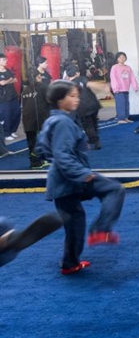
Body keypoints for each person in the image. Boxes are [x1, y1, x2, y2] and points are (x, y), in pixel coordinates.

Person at [36, 80, 126, 275]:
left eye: (77, 95)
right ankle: (100, 231)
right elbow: (62, 155)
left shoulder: (52, 120)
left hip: (62, 182)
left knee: (74, 224)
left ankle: (70, 264)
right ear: (60, 100)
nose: (77, 99)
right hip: (71, 179)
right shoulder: (63, 122)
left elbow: (41, 149)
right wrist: (82, 174)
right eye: (72, 96)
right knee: (114, 189)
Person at [65, 64, 102, 150]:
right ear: (77, 73)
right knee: (93, 121)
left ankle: (95, 141)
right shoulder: (83, 78)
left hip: (82, 107)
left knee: (88, 125)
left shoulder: (68, 85)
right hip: (93, 103)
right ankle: (93, 138)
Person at [21, 68, 51, 169]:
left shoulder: (25, 90)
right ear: (36, 77)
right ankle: (42, 159)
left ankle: (35, 163)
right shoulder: (42, 87)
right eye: (39, 76)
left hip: (27, 120)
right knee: (42, 139)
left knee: (31, 141)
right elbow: (50, 100)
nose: (41, 77)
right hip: (39, 119)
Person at [109, 51, 139, 123]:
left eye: (123, 57)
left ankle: (126, 117)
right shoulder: (114, 67)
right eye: (120, 57)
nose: (122, 58)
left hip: (126, 88)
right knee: (120, 104)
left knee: (126, 104)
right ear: (117, 59)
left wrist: (135, 87)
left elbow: (132, 78)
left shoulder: (128, 68)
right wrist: (115, 88)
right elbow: (113, 78)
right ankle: (120, 119)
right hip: (118, 89)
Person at [0, 53, 21, 143]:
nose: (6, 61)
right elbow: (2, 83)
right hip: (4, 98)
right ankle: (6, 133)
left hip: (13, 95)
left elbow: (15, 79)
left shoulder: (7, 70)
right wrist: (9, 80)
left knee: (17, 113)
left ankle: (12, 131)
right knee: (6, 116)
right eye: (3, 60)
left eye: (6, 60)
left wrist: (7, 81)